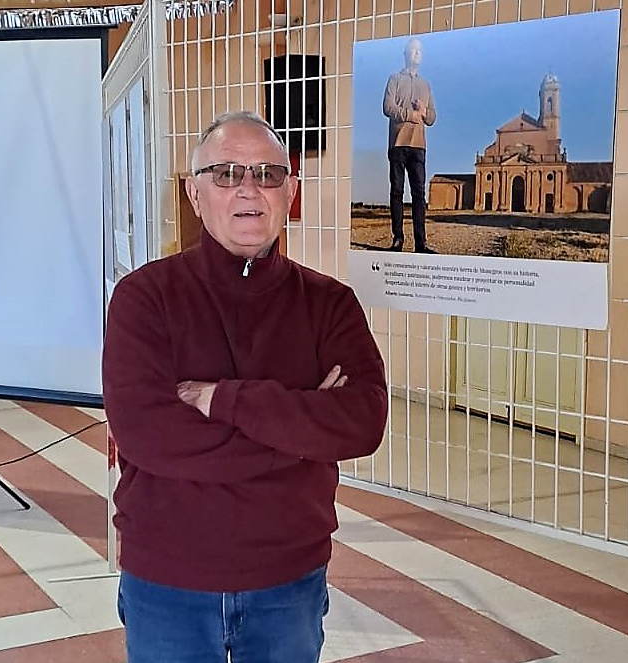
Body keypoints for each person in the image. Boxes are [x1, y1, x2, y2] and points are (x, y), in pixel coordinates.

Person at [101, 110, 388, 663]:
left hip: (288, 580)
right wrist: (301, 430)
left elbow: (363, 423)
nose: (248, 190)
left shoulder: (329, 305)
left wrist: (220, 399)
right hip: (168, 581)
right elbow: (145, 436)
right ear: (194, 192)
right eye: (227, 173)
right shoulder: (145, 299)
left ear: (291, 191)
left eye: (268, 174)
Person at [382, 37, 437, 253]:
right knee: (396, 192)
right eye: (413, 50)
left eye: (419, 51)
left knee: (419, 194)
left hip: (418, 146)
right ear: (405, 53)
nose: (416, 53)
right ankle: (398, 240)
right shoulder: (394, 79)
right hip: (397, 143)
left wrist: (423, 112)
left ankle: (421, 243)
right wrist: (410, 115)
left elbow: (432, 118)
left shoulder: (426, 85)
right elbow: (388, 107)